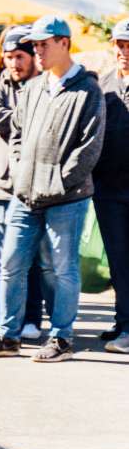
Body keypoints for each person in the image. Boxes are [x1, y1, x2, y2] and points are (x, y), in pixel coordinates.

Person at [0, 16, 106, 362]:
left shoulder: (87, 90)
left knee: (63, 269)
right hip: (25, 194)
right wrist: (21, 174)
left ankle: (61, 338)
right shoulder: (33, 88)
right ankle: (7, 335)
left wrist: (58, 182)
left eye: (43, 44)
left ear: (64, 43)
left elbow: (89, 148)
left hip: (67, 199)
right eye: (34, 45)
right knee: (10, 264)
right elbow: (16, 134)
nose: (37, 51)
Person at [0, 25, 48, 339]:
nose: (13, 63)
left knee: (31, 259)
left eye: (19, 56)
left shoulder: (46, 84)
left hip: (36, 188)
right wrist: (32, 117)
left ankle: (32, 319)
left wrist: (20, 117)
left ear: (32, 55)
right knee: (1, 259)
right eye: (8, 57)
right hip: (2, 188)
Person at [95, 19, 129, 353]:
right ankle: (123, 322)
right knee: (118, 260)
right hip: (108, 189)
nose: (124, 52)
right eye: (120, 44)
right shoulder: (103, 86)